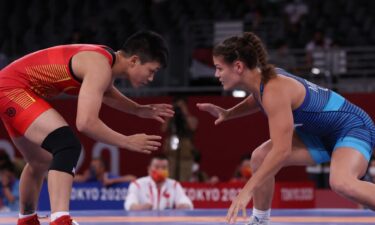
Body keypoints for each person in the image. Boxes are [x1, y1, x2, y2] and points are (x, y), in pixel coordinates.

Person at [197, 32, 375, 225]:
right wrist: (229, 113)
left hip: (352, 127)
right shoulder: (263, 82)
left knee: (342, 182)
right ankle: (260, 220)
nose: (216, 75)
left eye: (219, 68)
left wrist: (245, 191)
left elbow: (282, 151)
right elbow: (256, 99)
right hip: (320, 134)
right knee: (260, 157)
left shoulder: (274, 89)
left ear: (238, 66)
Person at [0, 30, 174, 225]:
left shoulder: (105, 64)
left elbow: (107, 93)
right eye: (152, 70)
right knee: (67, 145)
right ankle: (60, 219)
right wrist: (127, 141)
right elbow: (86, 123)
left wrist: (137, 110)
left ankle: (27, 219)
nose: (151, 78)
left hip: (10, 87)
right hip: (13, 89)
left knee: (40, 161)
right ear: (134, 61)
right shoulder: (100, 67)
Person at [124, 154, 193, 210]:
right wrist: (140, 208)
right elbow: (129, 203)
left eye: (164, 168)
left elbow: (185, 201)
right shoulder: (137, 184)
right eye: (156, 167)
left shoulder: (174, 185)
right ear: (149, 169)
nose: (160, 170)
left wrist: (184, 205)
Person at [161, 96, 198, 181]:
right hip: (171, 155)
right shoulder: (171, 118)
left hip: (185, 154)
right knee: (169, 178)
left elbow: (193, 126)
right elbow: (163, 129)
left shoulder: (189, 117)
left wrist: (184, 111)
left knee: (184, 178)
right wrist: (169, 113)